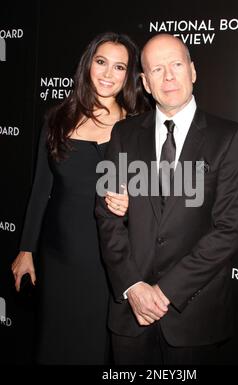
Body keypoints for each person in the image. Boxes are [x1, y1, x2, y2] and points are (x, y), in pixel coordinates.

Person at [96, 33, 238, 365]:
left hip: (195, 316)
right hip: (129, 316)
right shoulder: (122, 136)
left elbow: (229, 229)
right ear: (145, 83)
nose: (168, 77)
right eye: (156, 69)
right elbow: (107, 216)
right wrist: (133, 286)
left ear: (192, 70)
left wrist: (165, 292)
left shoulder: (229, 137)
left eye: (176, 65)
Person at [11, 32, 149, 365]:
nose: (107, 74)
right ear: (88, 65)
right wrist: (26, 249)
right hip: (59, 255)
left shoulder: (138, 125)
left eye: (119, 67)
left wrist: (134, 201)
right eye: (101, 62)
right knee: (54, 341)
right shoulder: (57, 119)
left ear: (129, 75)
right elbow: (40, 189)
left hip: (110, 257)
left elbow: (154, 195)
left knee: (94, 346)